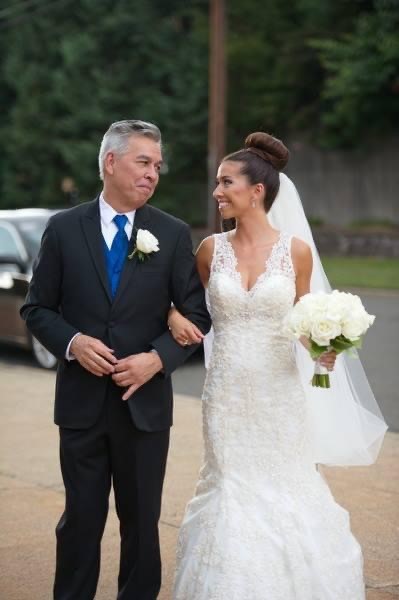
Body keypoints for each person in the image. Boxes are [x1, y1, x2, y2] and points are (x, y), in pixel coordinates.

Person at [168, 132, 386, 599]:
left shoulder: (296, 252)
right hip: (225, 395)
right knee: (230, 485)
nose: (217, 191)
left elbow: (303, 322)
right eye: (217, 182)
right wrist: (171, 314)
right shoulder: (209, 249)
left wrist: (324, 347)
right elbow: (191, 306)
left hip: (278, 392)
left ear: (257, 190)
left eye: (226, 182)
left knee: (284, 483)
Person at [20, 119, 211, 600]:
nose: (153, 174)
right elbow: (36, 308)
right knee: (80, 522)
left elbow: (196, 315)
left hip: (144, 406)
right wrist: (73, 342)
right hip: (81, 406)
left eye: (158, 166)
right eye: (143, 162)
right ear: (110, 162)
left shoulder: (170, 232)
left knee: (142, 526)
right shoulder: (63, 229)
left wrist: (156, 359)